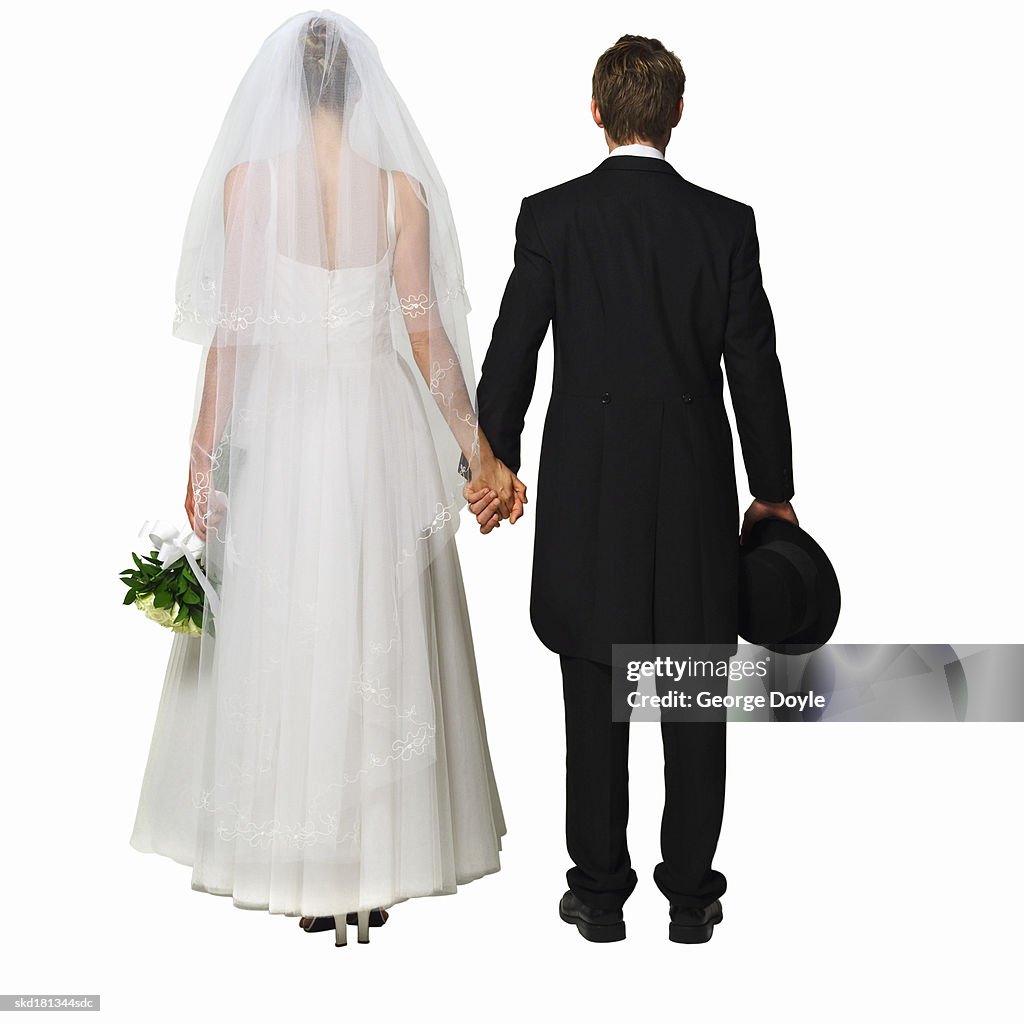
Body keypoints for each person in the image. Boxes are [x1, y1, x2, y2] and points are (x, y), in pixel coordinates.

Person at [130, 10, 517, 947]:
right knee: (367, 631)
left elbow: (234, 337)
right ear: (358, 86)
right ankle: (373, 867)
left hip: (287, 429)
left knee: (292, 640)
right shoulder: (399, 193)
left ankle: (302, 872)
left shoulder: (248, 186)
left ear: (289, 90)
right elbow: (426, 339)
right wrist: (480, 454)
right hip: (371, 430)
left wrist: (200, 459)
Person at [471, 34, 798, 943]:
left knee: (594, 684)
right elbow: (754, 369)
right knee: (693, 688)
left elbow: (513, 348)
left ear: (595, 111)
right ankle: (691, 899)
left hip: (589, 488)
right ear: (677, 115)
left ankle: (601, 894)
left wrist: (495, 456)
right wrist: (771, 489)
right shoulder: (725, 224)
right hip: (694, 485)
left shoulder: (553, 216)